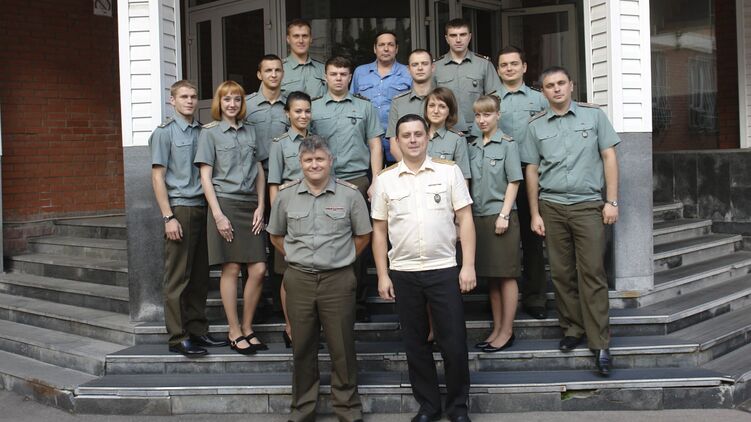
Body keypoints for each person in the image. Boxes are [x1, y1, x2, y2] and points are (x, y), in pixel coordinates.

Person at [372, 114, 476, 422]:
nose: (413, 140)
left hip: (443, 268)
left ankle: (458, 408)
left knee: (454, 343)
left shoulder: (449, 171)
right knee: (415, 344)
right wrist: (382, 274)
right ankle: (429, 406)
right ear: (397, 141)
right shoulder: (386, 179)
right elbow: (379, 230)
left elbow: (465, 219)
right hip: (404, 271)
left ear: (427, 137)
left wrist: (468, 265)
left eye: (418, 134)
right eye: (406, 135)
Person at [522, 66, 620, 376]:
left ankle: (600, 342)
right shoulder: (535, 126)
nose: (556, 89)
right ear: (543, 92)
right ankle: (572, 328)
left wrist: (611, 201)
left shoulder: (594, 116)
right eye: (549, 85)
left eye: (561, 83)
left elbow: (609, 157)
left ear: (572, 85)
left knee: (592, 272)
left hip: (588, 205)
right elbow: (532, 170)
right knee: (562, 273)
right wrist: (535, 212)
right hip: (552, 207)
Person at [267, 135, 371, 422]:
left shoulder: (350, 195)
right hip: (299, 280)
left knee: (342, 348)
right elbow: (275, 235)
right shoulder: (286, 196)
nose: (314, 165)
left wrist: (341, 257)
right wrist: (296, 255)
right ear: (300, 163)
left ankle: (348, 409)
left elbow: (363, 236)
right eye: (308, 160)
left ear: (330, 161)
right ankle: (302, 409)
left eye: (320, 159)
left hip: (338, 281)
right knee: (302, 347)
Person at [148, 80, 228, 357]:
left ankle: (197, 329)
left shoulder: (204, 131)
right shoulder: (164, 133)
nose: (190, 101)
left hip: (204, 207)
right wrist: (168, 216)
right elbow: (157, 177)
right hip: (181, 208)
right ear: (172, 100)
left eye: (194, 96)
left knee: (200, 276)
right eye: (184, 97)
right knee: (178, 277)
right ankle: (178, 336)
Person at [194, 80, 267, 355]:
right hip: (225, 204)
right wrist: (218, 215)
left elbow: (259, 170)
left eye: (237, 99)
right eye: (227, 99)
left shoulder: (252, 131)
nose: (232, 104)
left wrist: (261, 206)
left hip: (250, 205)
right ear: (219, 103)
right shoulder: (209, 133)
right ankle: (234, 330)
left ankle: (247, 327)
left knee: (258, 269)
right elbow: (205, 177)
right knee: (232, 269)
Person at [311, 55, 384, 322]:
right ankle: (326, 302)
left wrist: (376, 180)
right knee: (323, 239)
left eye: (343, 74)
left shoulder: (364, 107)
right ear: (326, 76)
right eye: (334, 74)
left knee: (359, 242)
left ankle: (358, 302)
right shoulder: (313, 108)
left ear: (350, 77)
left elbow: (375, 144)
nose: (339, 78)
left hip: (356, 181)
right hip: (323, 182)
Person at [494, 46, 549, 320]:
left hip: (530, 173)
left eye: (514, 63)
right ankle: (498, 298)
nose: (509, 68)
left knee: (532, 237)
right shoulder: (491, 101)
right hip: (499, 176)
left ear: (524, 67)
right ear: (498, 70)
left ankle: (535, 297)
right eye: (504, 65)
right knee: (499, 238)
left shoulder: (540, 100)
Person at [467, 95, 523, 353]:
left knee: (506, 276)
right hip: (479, 217)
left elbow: (514, 181)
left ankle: (507, 331)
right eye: (478, 115)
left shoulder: (508, 145)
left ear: (498, 115)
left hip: (500, 217)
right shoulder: (473, 146)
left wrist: (504, 215)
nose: (482, 120)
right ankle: (497, 329)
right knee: (492, 278)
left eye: (487, 114)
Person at [267, 91, 312, 347]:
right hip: (289, 213)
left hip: (314, 212)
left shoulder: (317, 141)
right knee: (288, 274)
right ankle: (290, 327)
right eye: (298, 111)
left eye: (307, 111)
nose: (303, 115)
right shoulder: (280, 144)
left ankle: (309, 327)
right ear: (287, 114)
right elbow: (274, 183)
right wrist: (278, 218)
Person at [351, 31, 412, 165]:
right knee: (371, 177)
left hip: (398, 141)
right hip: (366, 142)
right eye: (381, 45)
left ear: (396, 49)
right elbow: (351, 105)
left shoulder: (408, 72)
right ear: (375, 48)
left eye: (390, 45)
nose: (386, 49)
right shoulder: (360, 72)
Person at [434, 18, 502, 133]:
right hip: (446, 131)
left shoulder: (483, 64)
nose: (458, 40)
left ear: (469, 37)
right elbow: (429, 102)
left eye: (463, 35)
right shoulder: (436, 67)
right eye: (453, 35)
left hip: (478, 131)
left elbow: (495, 99)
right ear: (447, 39)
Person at [386, 49, 435, 161]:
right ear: (408, 69)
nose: (420, 68)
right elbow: (394, 145)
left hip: (441, 167)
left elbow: (456, 138)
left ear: (432, 67)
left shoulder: (445, 99)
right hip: (408, 168)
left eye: (424, 63)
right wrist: (412, 168)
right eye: (415, 64)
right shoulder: (398, 102)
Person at [245, 54, 288, 172]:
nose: (273, 75)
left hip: (284, 173)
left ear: (283, 74)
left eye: (277, 70)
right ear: (259, 75)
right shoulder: (245, 105)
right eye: (268, 70)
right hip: (253, 173)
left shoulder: (291, 105)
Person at [423, 87, 471, 179]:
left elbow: (463, 178)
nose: (436, 111)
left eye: (442, 106)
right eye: (431, 105)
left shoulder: (457, 139)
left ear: (450, 111)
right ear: (426, 109)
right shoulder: (417, 136)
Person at [282, 19, 326, 98]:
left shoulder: (323, 69)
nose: (301, 41)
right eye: (296, 36)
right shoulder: (277, 69)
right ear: (288, 39)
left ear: (311, 39)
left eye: (305, 36)